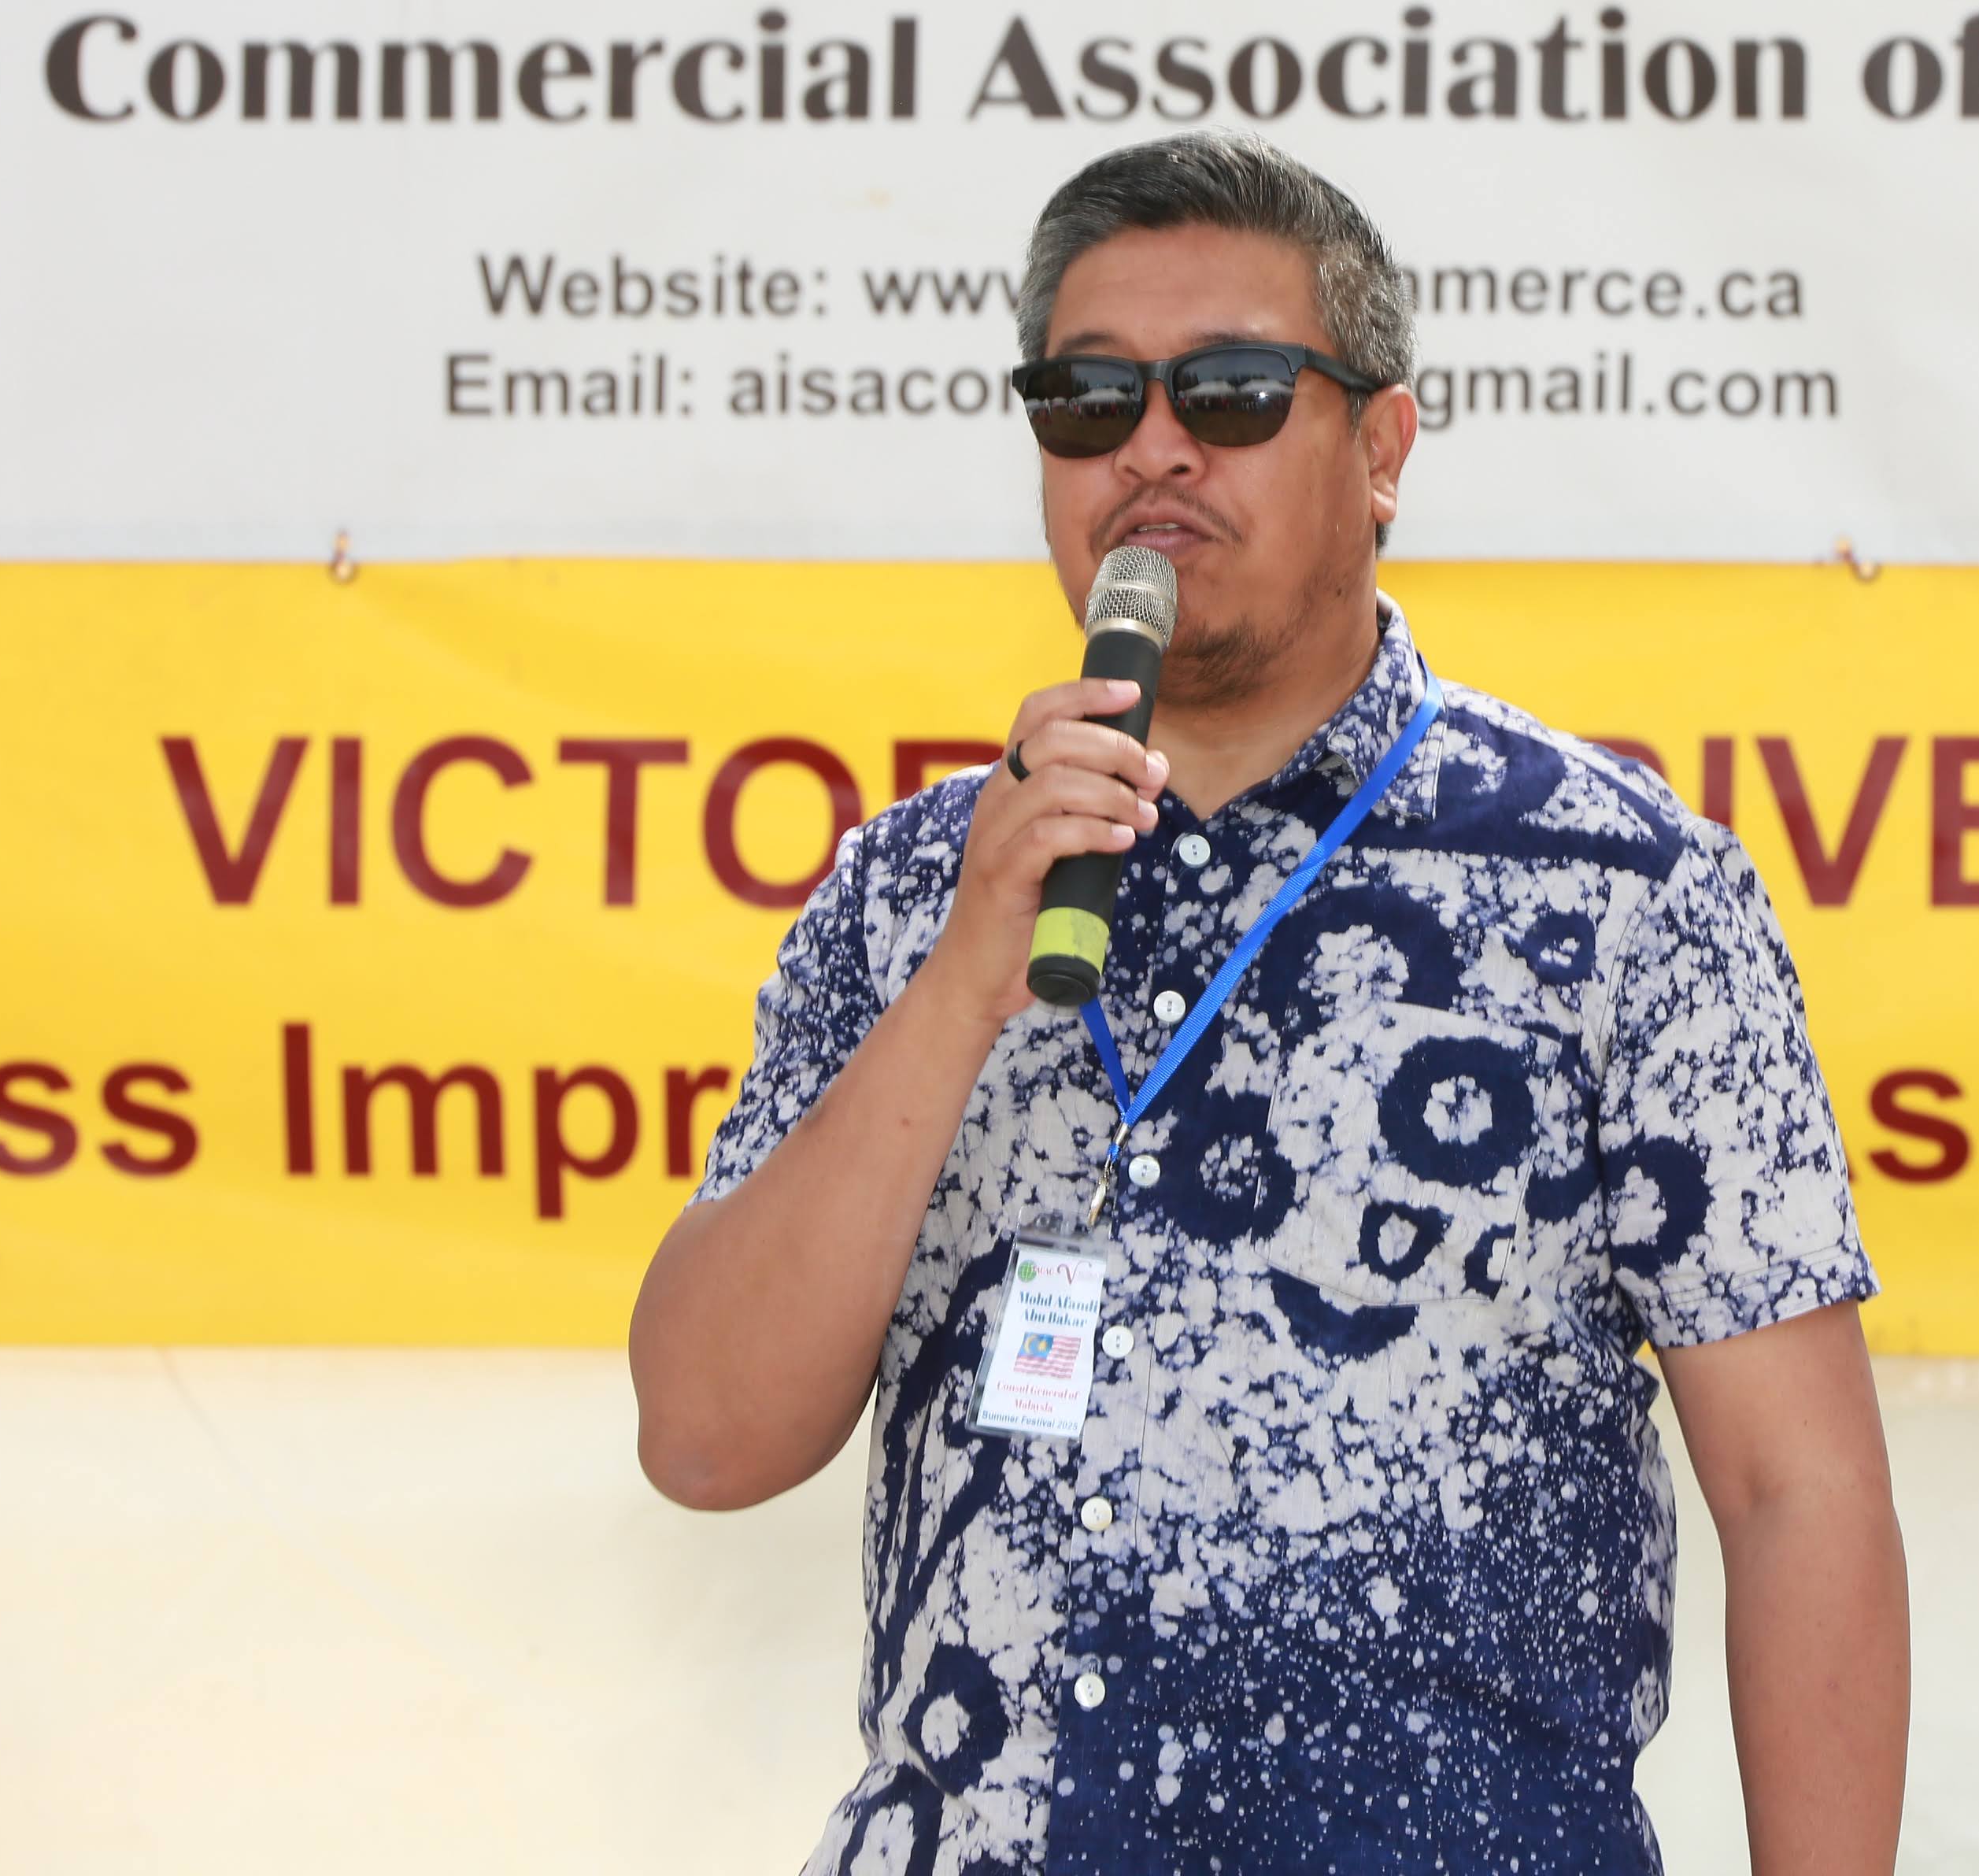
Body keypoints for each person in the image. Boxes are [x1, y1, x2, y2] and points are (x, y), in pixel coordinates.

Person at [628, 129, 1907, 1876]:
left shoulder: (1622, 892)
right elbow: (704, 1436)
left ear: (1381, 450)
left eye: (1229, 391)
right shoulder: (915, 887)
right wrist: (963, 976)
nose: (1152, 449)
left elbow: (1799, 1493)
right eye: (1089, 399)